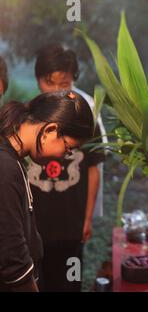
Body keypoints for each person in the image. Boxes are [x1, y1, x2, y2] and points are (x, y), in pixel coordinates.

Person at [27, 43, 106, 291]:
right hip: (36, 224)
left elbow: (94, 167)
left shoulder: (84, 115)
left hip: (71, 221)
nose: (56, 90)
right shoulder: (30, 115)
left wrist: (88, 218)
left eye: (64, 84)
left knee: (70, 282)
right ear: (39, 78)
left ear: (73, 80)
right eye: (50, 83)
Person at [0, 90, 95, 292]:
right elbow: (13, 263)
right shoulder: (5, 168)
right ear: (50, 130)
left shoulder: (13, 159)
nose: (64, 156)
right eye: (68, 148)